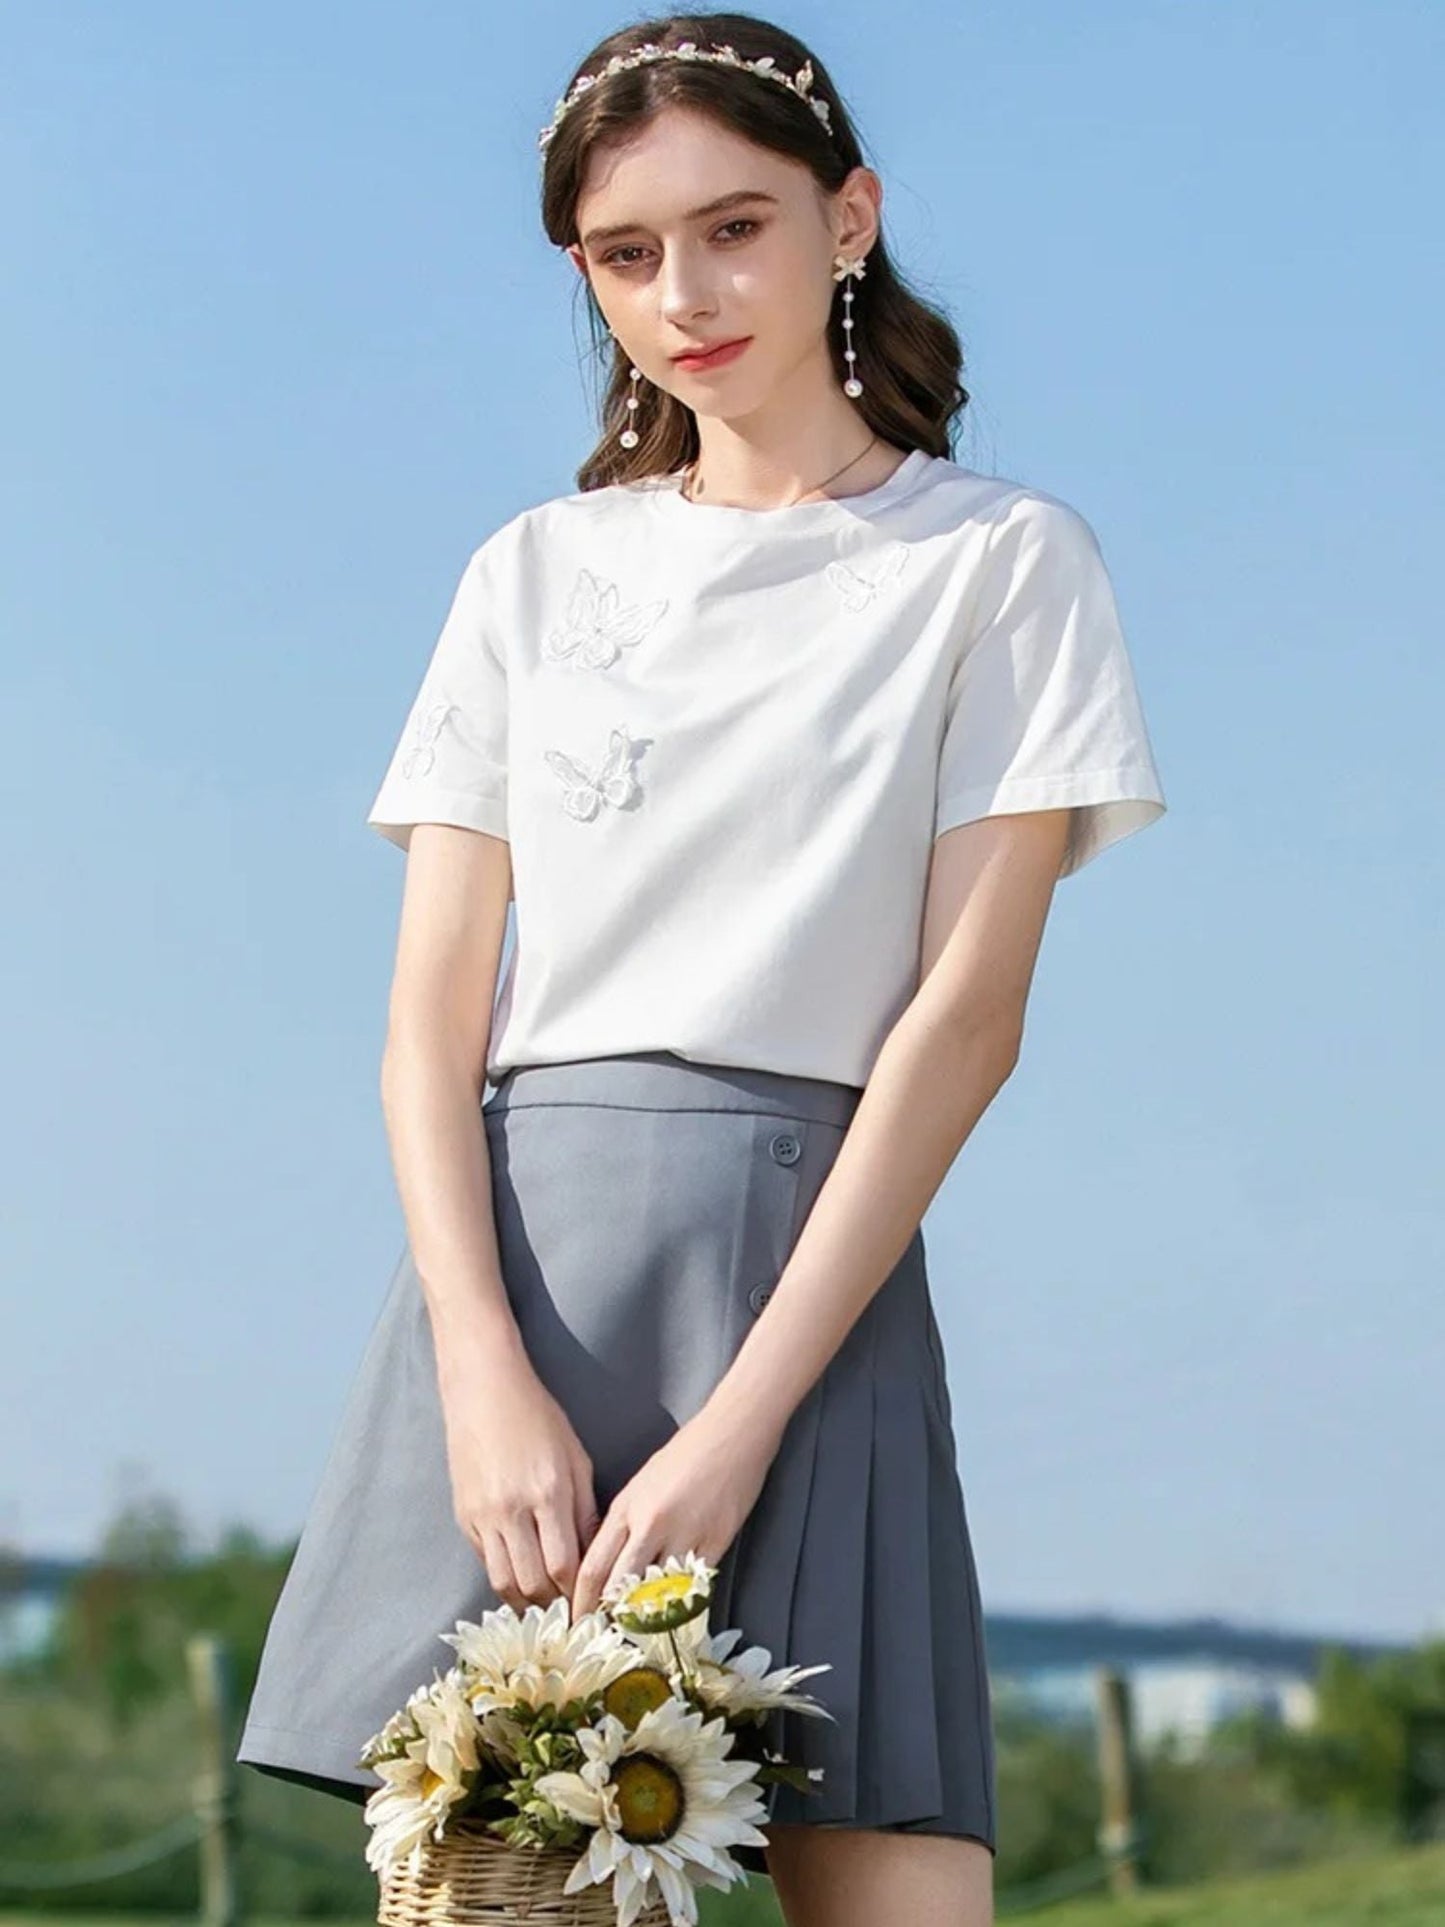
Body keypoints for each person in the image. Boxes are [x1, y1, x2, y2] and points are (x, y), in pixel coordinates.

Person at [236, 14, 1167, 1925]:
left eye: (734, 227)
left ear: (852, 219)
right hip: (527, 1306)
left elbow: (961, 1026)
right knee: (504, 1897)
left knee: (896, 1889)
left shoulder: (996, 564)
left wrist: (743, 1425)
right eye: (624, 253)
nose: (684, 294)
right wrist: (482, 1370)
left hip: (812, 1308)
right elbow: (429, 1031)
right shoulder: (530, 573)